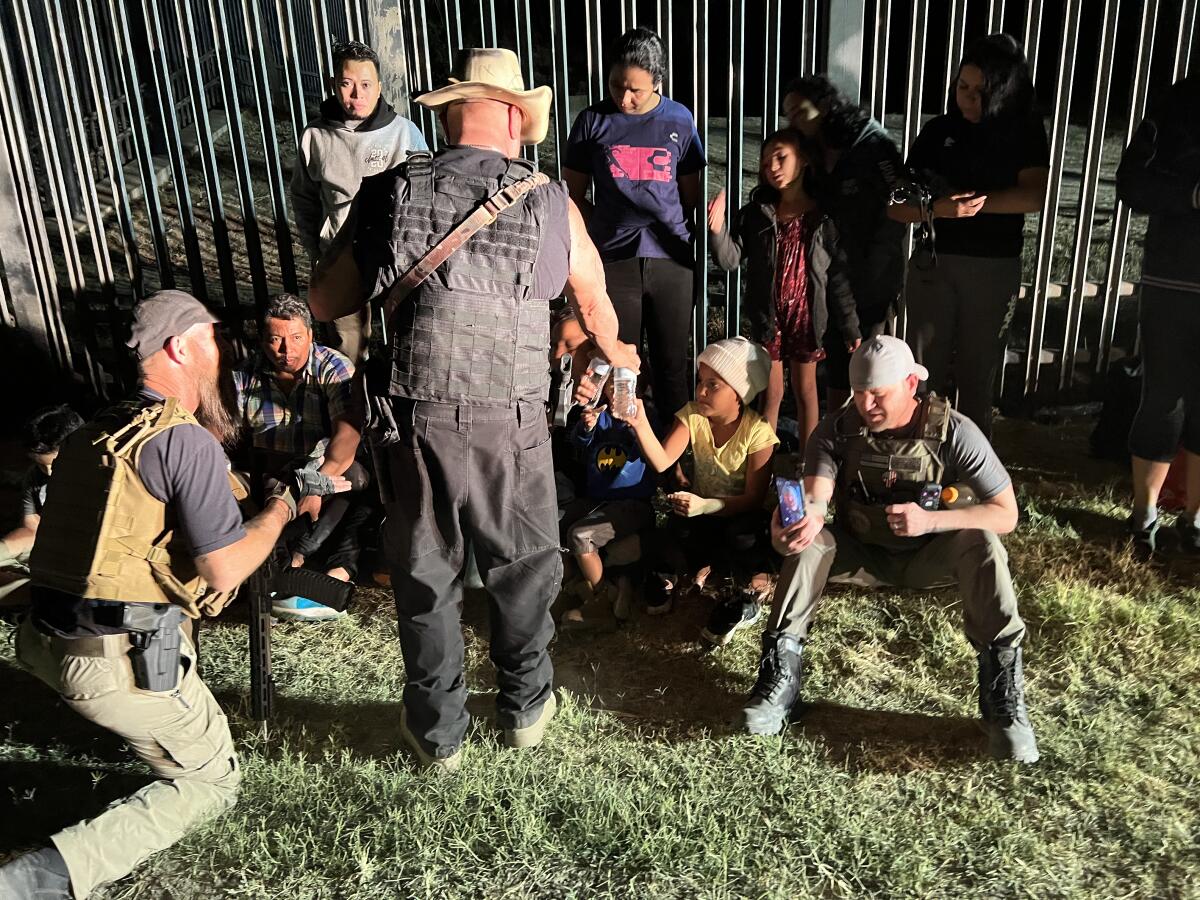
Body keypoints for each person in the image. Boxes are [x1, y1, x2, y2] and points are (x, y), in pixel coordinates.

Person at [308, 48, 639, 773]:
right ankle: (523, 709)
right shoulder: (550, 200)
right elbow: (597, 305)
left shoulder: (391, 188)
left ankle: (438, 733)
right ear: (517, 117)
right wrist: (609, 347)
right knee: (523, 569)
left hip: (415, 420)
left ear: (452, 111)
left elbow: (330, 301)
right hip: (512, 425)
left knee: (426, 573)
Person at [0, 291, 348, 899]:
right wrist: (280, 507)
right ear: (179, 346)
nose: (224, 353)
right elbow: (223, 571)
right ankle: (38, 882)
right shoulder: (182, 440)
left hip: (43, 641)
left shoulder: (93, 434)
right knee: (210, 783)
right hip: (110, 661)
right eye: (212, 340)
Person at [740, 336, 1037, 764]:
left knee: (984, 542)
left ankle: (1003, 702)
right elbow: (817, 500)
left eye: (878, 394)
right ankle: (778, 683)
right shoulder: (837, 430)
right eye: (859, 393)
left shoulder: (956, 433)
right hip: (861, 555)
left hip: (929, 557)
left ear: (912, 385)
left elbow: (1006, 514)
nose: (867, 404)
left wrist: (931, 520)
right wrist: (797, 526)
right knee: (809, 542)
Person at [889, 34, 1049, 437]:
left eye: (981, 91)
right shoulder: (939, 129)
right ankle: (917, 459)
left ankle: (976, 468)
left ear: (1006, 90)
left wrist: (976, 204)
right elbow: (895, 202)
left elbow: (1035, 194)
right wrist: (937, 209)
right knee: (924, 369)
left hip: (993, 264)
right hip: (935, 262)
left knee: (979, 372)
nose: (969, 99)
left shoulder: (1023, 130)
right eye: (963, 87)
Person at [563, 26, 705, 423]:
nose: (623, 98)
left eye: (635, 90)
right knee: (619, 365)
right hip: (614, 259)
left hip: (671, 260)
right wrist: (604, 229)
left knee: (672, 367)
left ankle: (671, 460)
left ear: (657, 82)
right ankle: (622, 462)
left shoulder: (679, 118)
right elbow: (574, 196)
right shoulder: (592, 120)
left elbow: (689, 193)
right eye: (615, 86)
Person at [617, 337, 778, 646]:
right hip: (700, 513)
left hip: (739, 515)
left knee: (744, 536)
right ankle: (676, 574)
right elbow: (663, 459)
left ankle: (749, 592)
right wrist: (639, 423)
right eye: (701, 381)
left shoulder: (759, 432)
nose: (701, 390)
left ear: (739, 394)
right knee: (677, 528)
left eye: (713, 385)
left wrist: (707, 506)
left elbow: (753, 499)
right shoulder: (693, 415)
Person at [708, 127, 862, 441]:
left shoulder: (823, 216)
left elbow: (838, 277)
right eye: (766, 163)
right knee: (772, 393)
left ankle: (808, 464)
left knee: (806, 392)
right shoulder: (756, 213)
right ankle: (762, 465)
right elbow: (730, 260)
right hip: (769, 317)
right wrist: (718, 229)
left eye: (781, 158)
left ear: (804, 159)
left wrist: (849, 325)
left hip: (807, 318)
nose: (772, 168)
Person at [291, 39, 428, 364]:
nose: (357, 94)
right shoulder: (316, 136)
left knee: (409, 343)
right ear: (333, 85)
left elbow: (426, 197)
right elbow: (304, 198)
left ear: (379, 86)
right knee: (346, 351)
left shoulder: (404, 133)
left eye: (366, 84)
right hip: (340, 256)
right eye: (347, 84)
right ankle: (351, 410)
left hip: (395, 258)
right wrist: (317, 250)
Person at [232, 293, 369, 620]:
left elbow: (347, 434)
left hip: (320, 469)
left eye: (295, 338)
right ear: (262, 339)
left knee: (357, 480)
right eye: (275, 340)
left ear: (310, 334)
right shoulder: (244, 375)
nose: (286, 350)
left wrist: (315, 484)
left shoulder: (332, 366)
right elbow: (226, 434)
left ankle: (311, 565)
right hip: (270, 474)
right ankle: (288, 568)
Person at [1115, 75, 1200, 556]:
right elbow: (1132, 181)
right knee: (1163, 396)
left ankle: (1194, 521)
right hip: (1174, 278)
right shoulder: (1177, 102)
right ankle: (1144, 517)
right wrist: (1192, 195)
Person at [783, 75, 904, 407]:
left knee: (870, 359)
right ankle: (839, 435)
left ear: (823, 105)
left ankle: (871, 438)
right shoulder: (812, 149)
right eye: (787, 114)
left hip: (872, 268)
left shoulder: (872, 144)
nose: (792, 120)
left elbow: (896, 210)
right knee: (836, 358)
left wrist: (878, 272)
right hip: (832, 268)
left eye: (797, 111)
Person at [558, 378, 657, 630]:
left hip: (632, 502)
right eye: (611, 387)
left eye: (624, 386)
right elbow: (578, 443)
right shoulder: (600, 415)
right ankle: (577, 586)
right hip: (595, 499)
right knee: (553, 522)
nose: (616, 394)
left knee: (581, 536)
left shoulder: (646, 418)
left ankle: (600, 601)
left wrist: (636, 427)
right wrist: (587, 427)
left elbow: (655, 455)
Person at [0, 405, 84, 606]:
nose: (48, 472)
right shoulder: (35, 478)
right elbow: (31, 528)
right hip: (50, 550)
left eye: (55, 464)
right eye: (40, 465)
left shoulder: (101, 476)